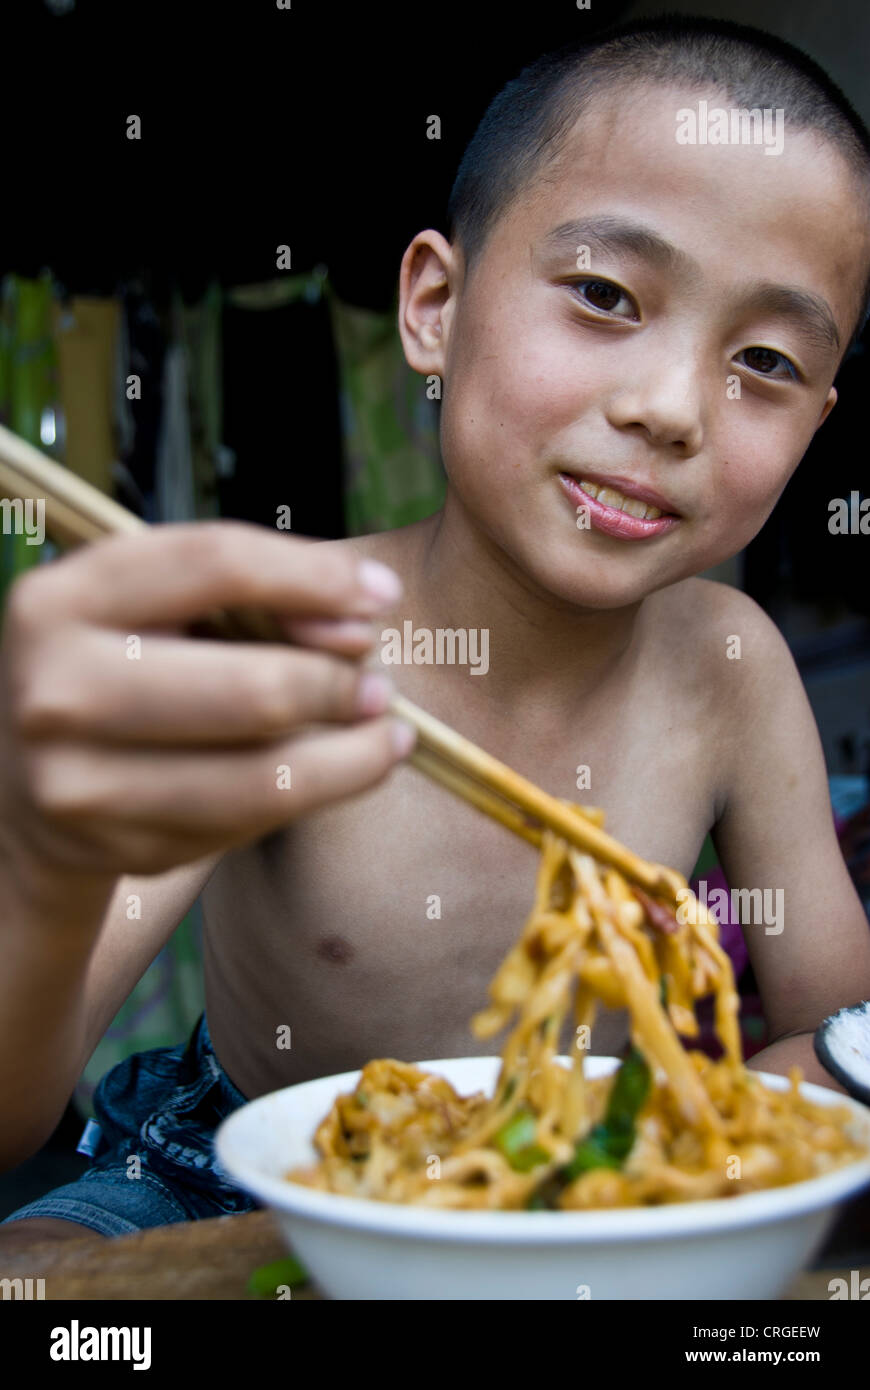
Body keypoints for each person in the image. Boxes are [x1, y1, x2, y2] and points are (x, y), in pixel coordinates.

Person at [2, 14, 870, 1246]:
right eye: (606, 295)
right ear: (433, 307)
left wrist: (651, 1154)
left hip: (578, 1179)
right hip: (221, 1171)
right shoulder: (268, 634)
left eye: (767, 362)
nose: (673, 407)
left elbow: (844, 1044)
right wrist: (49, 863)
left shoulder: (732, 667)